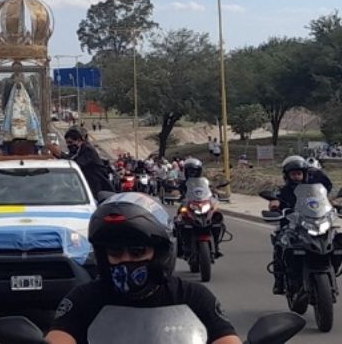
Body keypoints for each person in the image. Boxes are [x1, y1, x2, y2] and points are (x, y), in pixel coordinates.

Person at [47, 192, 241, 344]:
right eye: (115, 253)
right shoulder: (84, 299)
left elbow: (226, 339)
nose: (126, 260)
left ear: (160, 253)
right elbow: (59, 337)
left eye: (137, 252)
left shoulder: (192, 297)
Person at [267, 155, 334, 294]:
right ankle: (279, 282)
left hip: (313, 223)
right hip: (291, 225)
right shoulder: (283, 191)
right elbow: (275, 201)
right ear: (287, 176)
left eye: (299, 173)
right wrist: (275, 204)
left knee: (336, 239)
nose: (296, 176)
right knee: (280, 243)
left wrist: (333, 205)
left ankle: (332, 267)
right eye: (293, 174)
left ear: (304, 174)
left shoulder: (314, 189)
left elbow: (326, 191)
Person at [48, 127, 114, 196]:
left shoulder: (88, 150)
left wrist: (60, 154)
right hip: (85, 184)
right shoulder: (77, 150)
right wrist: (58, 154)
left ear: (79, 141)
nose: (68, 145)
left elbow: (75, 163)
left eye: (70, 142)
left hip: (98, 186)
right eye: (67, 143)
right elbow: (69, 157)